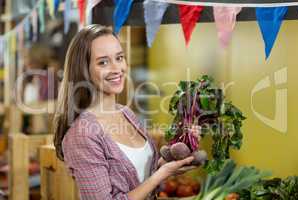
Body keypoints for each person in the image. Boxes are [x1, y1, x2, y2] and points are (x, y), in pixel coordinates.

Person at [53, 24, 196, 200]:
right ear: (83, 70)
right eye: (103, 62)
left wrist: (167, 166)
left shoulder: (126, 113)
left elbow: (142, 177)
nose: (116, 68)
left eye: (119, 58)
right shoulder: (81, 135)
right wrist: (160, 175)